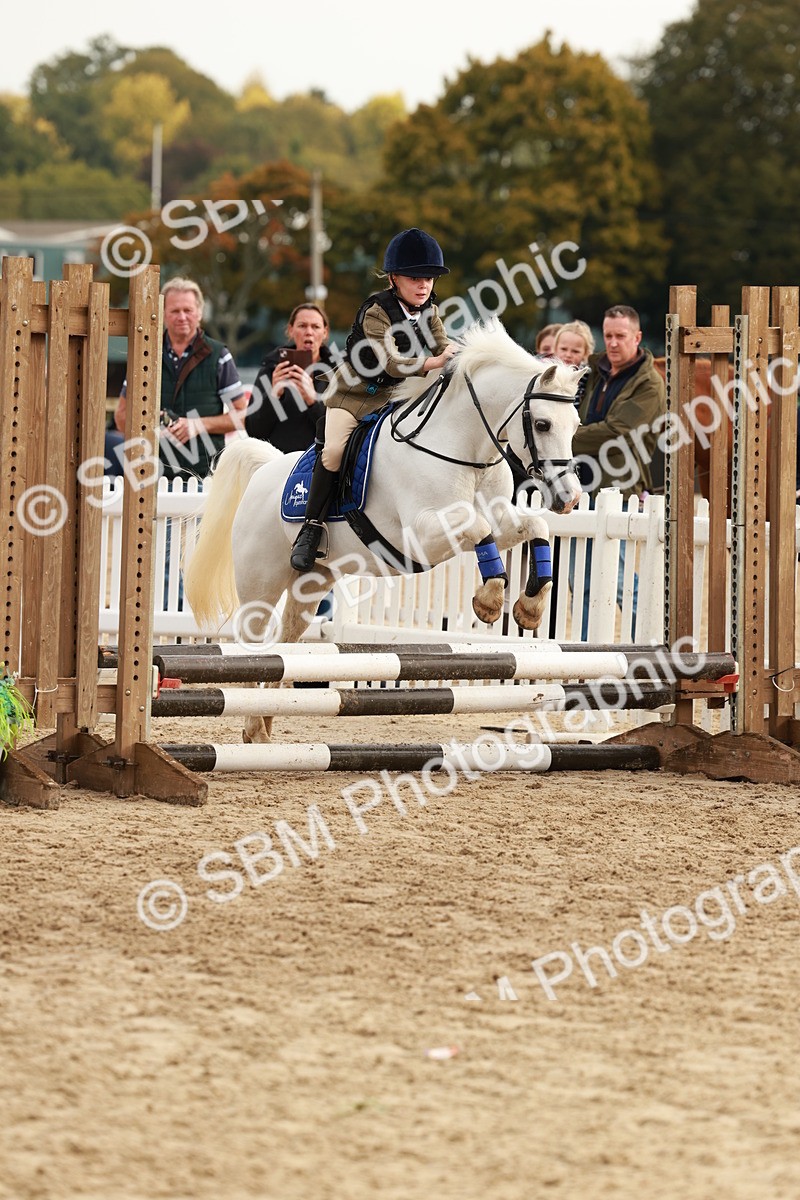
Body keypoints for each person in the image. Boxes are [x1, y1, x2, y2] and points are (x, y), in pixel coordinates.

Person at [289, 227, 457, 573]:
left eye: (428, 278)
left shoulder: (430, 311)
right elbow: (391, 363)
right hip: (353, 395)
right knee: (334, 451)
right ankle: (311, 528)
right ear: (394, 278)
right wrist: (434, 362)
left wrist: (462, 356)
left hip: (395, 396)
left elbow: (443, 346)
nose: (423, 286)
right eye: (415, 278)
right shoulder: (377, 312)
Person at [112, 277, 247, 607]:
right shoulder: (145, 352)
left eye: (188, 309)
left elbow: (242, 415)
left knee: (198, 554)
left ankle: (192, 619)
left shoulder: (219, 355)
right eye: (174, 310)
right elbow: (122, 417)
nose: (182, 317)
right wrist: (149, 426)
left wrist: (198, 425)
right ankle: (159, 617)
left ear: (199, 312)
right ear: (163, 313)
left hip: (202, 473)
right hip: (151, 472)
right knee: (154, 554)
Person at [569, 304, 666, 638]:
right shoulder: (595, 370)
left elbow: (618, 432)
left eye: (620, 336)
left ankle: (651, 641)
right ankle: (584, 650)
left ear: (637, 337)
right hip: (583, 485)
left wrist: (565, 437)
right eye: (608, 335)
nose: (612, 343)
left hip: (620, 487)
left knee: (618, 578)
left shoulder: (649, 383)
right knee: (580, 579)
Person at [245, 303, 335, 451]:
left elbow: (338, 432)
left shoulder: (338, 372)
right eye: (302, 326)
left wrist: (313, 401)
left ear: (325, 332)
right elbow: (254, 432)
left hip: (318, 459)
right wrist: (274, 395)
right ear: (290, 330)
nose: (309, 332)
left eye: (315, 327)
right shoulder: (272, 368)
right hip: (276, 459)